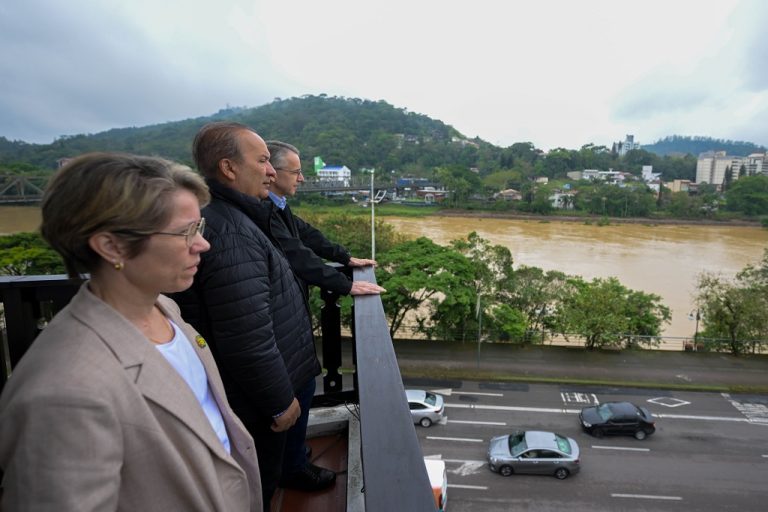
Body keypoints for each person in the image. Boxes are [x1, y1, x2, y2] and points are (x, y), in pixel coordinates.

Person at [0, 153, 262, 511]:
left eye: (198, 228)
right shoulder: (64, 391)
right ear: (112, 246)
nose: (203, 245)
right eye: (186, 232)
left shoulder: (164, 309)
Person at [172, 122, 335, 509]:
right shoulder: (231, 231)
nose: (271, 171)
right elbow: (245, 333)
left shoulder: (242, 216)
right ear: (229, 168)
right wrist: (279, 400)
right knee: (256, 485)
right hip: (258, 397)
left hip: (263, 385)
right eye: (262, 161)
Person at [264, 140, 385, 297]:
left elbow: (307, 233)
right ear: (272, 172)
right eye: (295, 172)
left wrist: (344, 257)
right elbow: (296, 254)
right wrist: (346, 285)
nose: (301, 179)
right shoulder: (262, 209)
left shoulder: (278, 205)